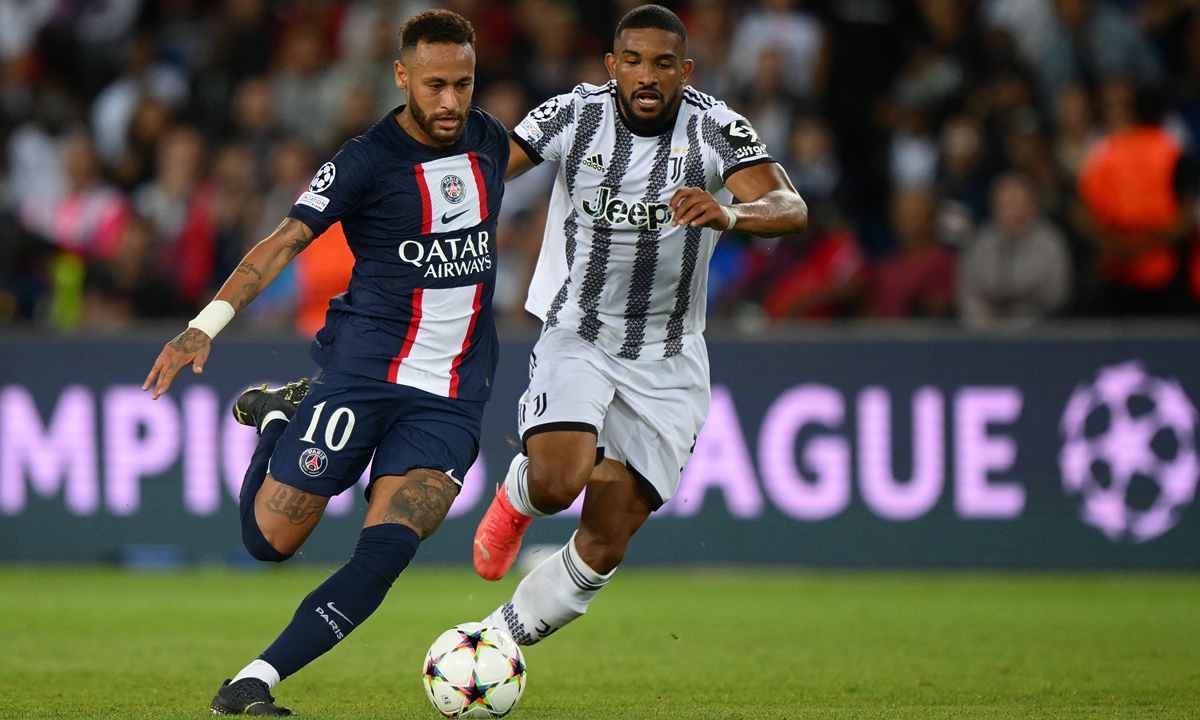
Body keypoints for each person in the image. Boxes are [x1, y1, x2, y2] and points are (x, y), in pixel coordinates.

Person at [141, 10, 509, 715]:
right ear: (401, 78)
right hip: (363, 372)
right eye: (434, 85)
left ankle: (254, 680)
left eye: (463, 84)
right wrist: (204, 325)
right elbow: (283, 241)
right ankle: (282, 415)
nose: (450, 102)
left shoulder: (489, 139)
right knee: (270, 540)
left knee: (388, 549)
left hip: (452, 396)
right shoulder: (365, 159)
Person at [471, 4, 807, 646]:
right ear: (611, 67)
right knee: (557, 480)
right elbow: (489, 167)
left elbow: (789, 205)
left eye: (661, 64)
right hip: (581, 330)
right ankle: (521, 494)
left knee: (607, 534)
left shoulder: (716, 127)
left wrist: (732, 214)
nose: (646, 76)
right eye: (632, 61)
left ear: (685, 70)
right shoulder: (572, 113)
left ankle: (495, 643)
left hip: (671, 356)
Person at [958, 171, 1073, 328]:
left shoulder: (1051, 242)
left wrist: (1014, 318)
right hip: (986, 334)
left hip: (1039, 333)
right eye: (1006, 203)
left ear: (1032, 204)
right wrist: (980, 319)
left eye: (1017, 202)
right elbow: (967, 292)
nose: (1012, 210)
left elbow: (1056, 295)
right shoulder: (980, 242)